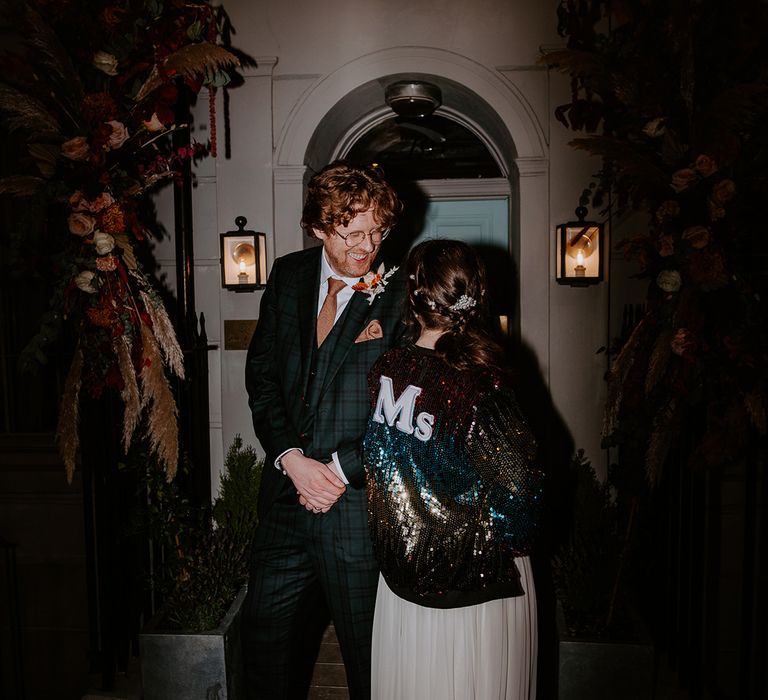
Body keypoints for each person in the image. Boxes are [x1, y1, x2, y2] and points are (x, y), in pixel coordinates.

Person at [242, 160, 407, 699]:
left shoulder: (401, 297)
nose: (368, 246)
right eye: (352, 232)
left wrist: (337, 470)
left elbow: (405, 412)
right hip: (285, 503)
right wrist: (291, 457)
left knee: (368, 659)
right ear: (318, 227)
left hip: (356, 510)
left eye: (378, 231)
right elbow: (263, 378)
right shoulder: (288, 276)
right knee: (264, 647)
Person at [363, 239, 543, 700]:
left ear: (414, 295)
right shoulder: (483, 383)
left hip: (403, 580)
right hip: (472, 590)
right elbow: (521, 497)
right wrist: (486, 541)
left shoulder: (388, 369)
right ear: (477, 295)